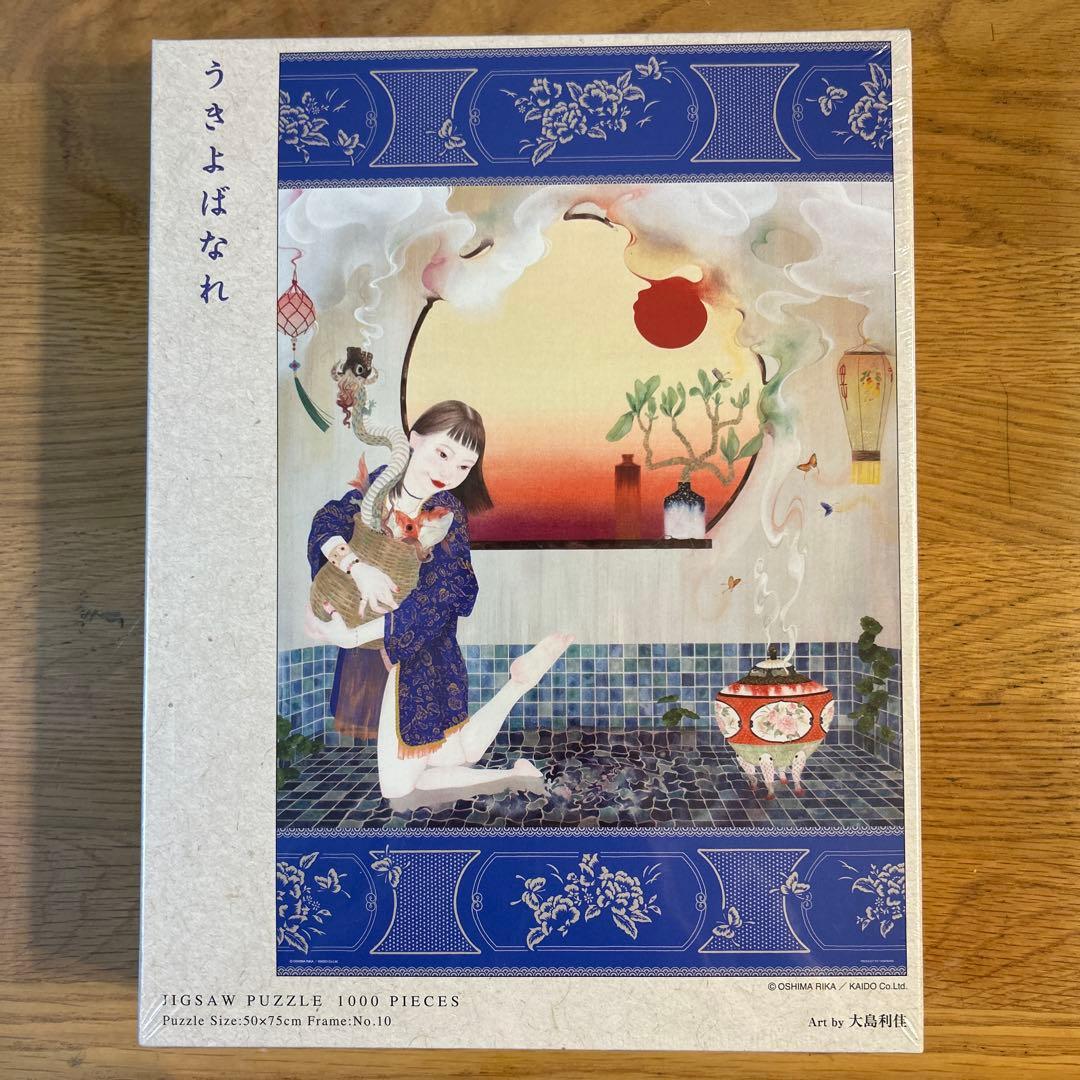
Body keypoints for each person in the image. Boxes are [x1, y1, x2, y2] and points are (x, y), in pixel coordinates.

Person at [305, 399, 572, 799]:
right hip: (379, 642)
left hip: (418, 648)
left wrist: (354, 636)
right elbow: (328, 521)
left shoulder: (448, 512)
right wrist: (356, 567)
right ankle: (518, 697)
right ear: (414, 439)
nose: (448, 473)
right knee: (451, 755)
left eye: (463, 466)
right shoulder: (380, 484)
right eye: (443, 454)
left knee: (406, 782)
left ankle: (517, 724)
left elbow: (446, 591)